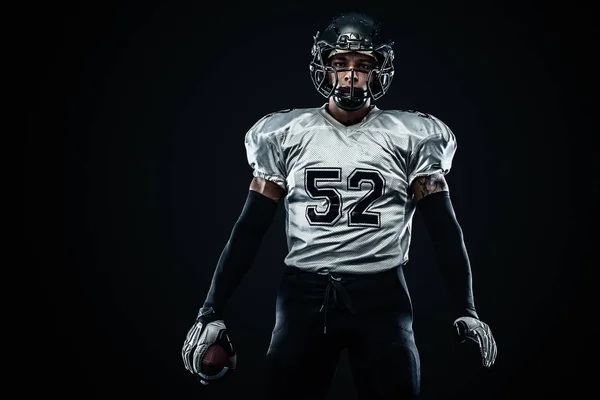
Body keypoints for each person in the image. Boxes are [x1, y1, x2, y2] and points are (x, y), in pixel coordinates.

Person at [182, 11, 497, 399]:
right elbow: (250, 228)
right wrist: (211, 309)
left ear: (379, 70)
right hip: (303, 298)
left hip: (383, 298)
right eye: (340, 63)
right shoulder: (285, 134)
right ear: (324, 68)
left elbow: (445, 230)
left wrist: (466, 307)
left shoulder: (411, 136)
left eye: (363, 65)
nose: (351, 74)